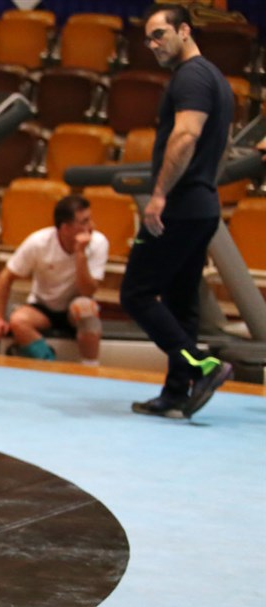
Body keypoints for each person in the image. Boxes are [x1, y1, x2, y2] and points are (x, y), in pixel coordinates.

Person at [119, 3, 235, 419]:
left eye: (159, 34)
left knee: (136, 293)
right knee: (181, 300)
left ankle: (201, 365)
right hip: (202, 205)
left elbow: (185, 136)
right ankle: (175, 392)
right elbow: (223, 147)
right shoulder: (216, 79)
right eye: (148, 38)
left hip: (181, 207)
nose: (152, 44)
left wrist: (160, 195)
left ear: (184, 30)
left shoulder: (191, 77)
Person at [0, 195, 108, 365]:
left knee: (86, 308)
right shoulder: (38, 242)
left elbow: (88, 291)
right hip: (43, 307)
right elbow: (6, 276)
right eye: (84, 222)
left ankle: (90, 368)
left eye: (90, 219)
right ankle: (48, 364)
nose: (91, 227)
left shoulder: (99, 243)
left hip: (75, 306)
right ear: (65, 228)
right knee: (18, 321)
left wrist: (80, 254)